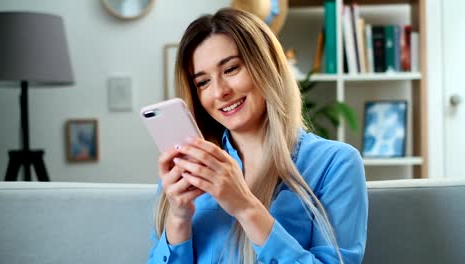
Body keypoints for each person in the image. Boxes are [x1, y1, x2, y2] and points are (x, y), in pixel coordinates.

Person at [147, 8, 368, 264]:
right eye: (203, 82)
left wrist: (244, 206)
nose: (219, 92)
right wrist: (178, 219)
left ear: (267, 64)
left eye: (230, 69)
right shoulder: (188, 170)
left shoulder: (335, 163)